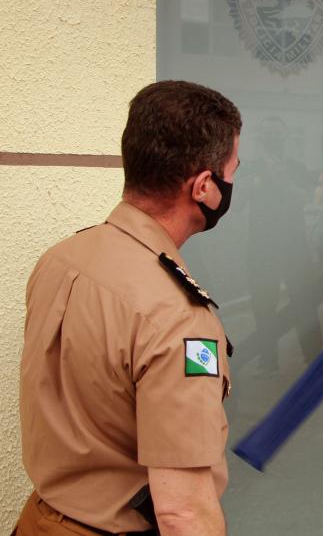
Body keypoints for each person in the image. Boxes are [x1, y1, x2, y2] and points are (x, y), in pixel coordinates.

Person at [15, 80, 241, 535]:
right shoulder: (179, 320)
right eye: (233, 170)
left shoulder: (63, 258)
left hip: (39, 520)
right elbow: (184, 512)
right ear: (203, 187)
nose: (233, 181)